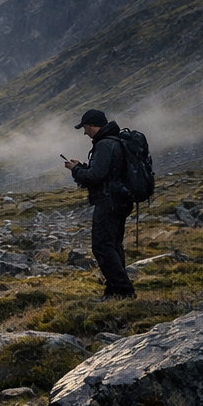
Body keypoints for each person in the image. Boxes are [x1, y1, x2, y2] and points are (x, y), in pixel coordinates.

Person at [63, 108, 136, 300]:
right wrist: (83, 167)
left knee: (102, 246)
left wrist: (75, 169)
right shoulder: (116, 142)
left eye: (85, 128)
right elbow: (106, 173)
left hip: (109, 202)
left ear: (93, 126)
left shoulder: (104, 145)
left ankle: (123, 291)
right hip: (120, 201)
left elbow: (95, 177)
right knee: (113, 245)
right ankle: (115, 290)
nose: (85, 132)